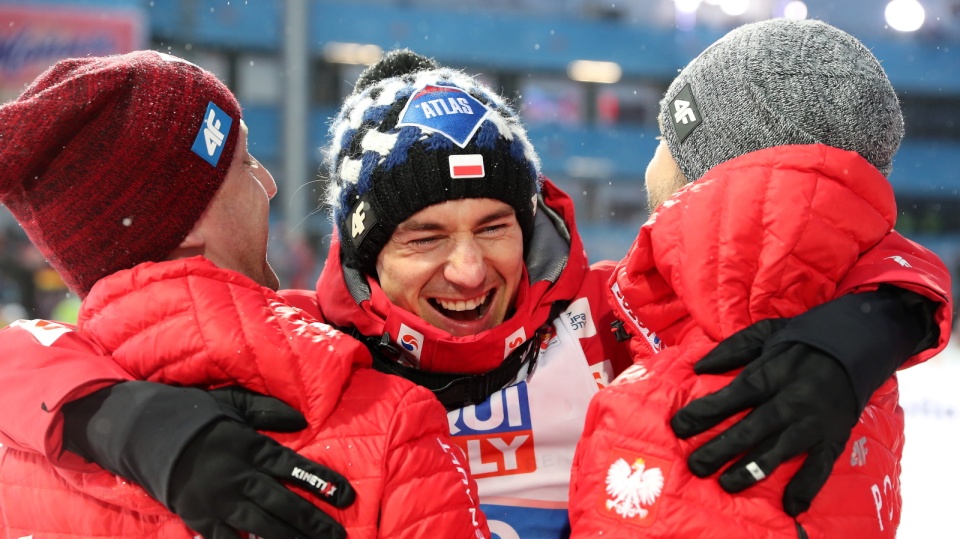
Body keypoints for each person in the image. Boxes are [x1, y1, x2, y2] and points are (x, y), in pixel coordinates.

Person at [0, 49, 950, 539]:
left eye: (493, 225)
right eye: (424, 235)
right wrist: (115, 418)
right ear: (366, 255)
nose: (467, 269)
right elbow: (38, 350)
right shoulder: (314, 356)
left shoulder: (605, 327)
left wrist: (872, 323)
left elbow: (781, 243)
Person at [0, 51, 488, 539]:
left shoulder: (25, 441)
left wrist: (101, 419)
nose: (270, 185)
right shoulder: (390, 418)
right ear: (188, 223)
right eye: (245, 162)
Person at [567, 18, 951, 538]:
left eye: (666, 137)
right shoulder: (846, 340)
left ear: (704, 167)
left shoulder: (688, 399)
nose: (651, 158)